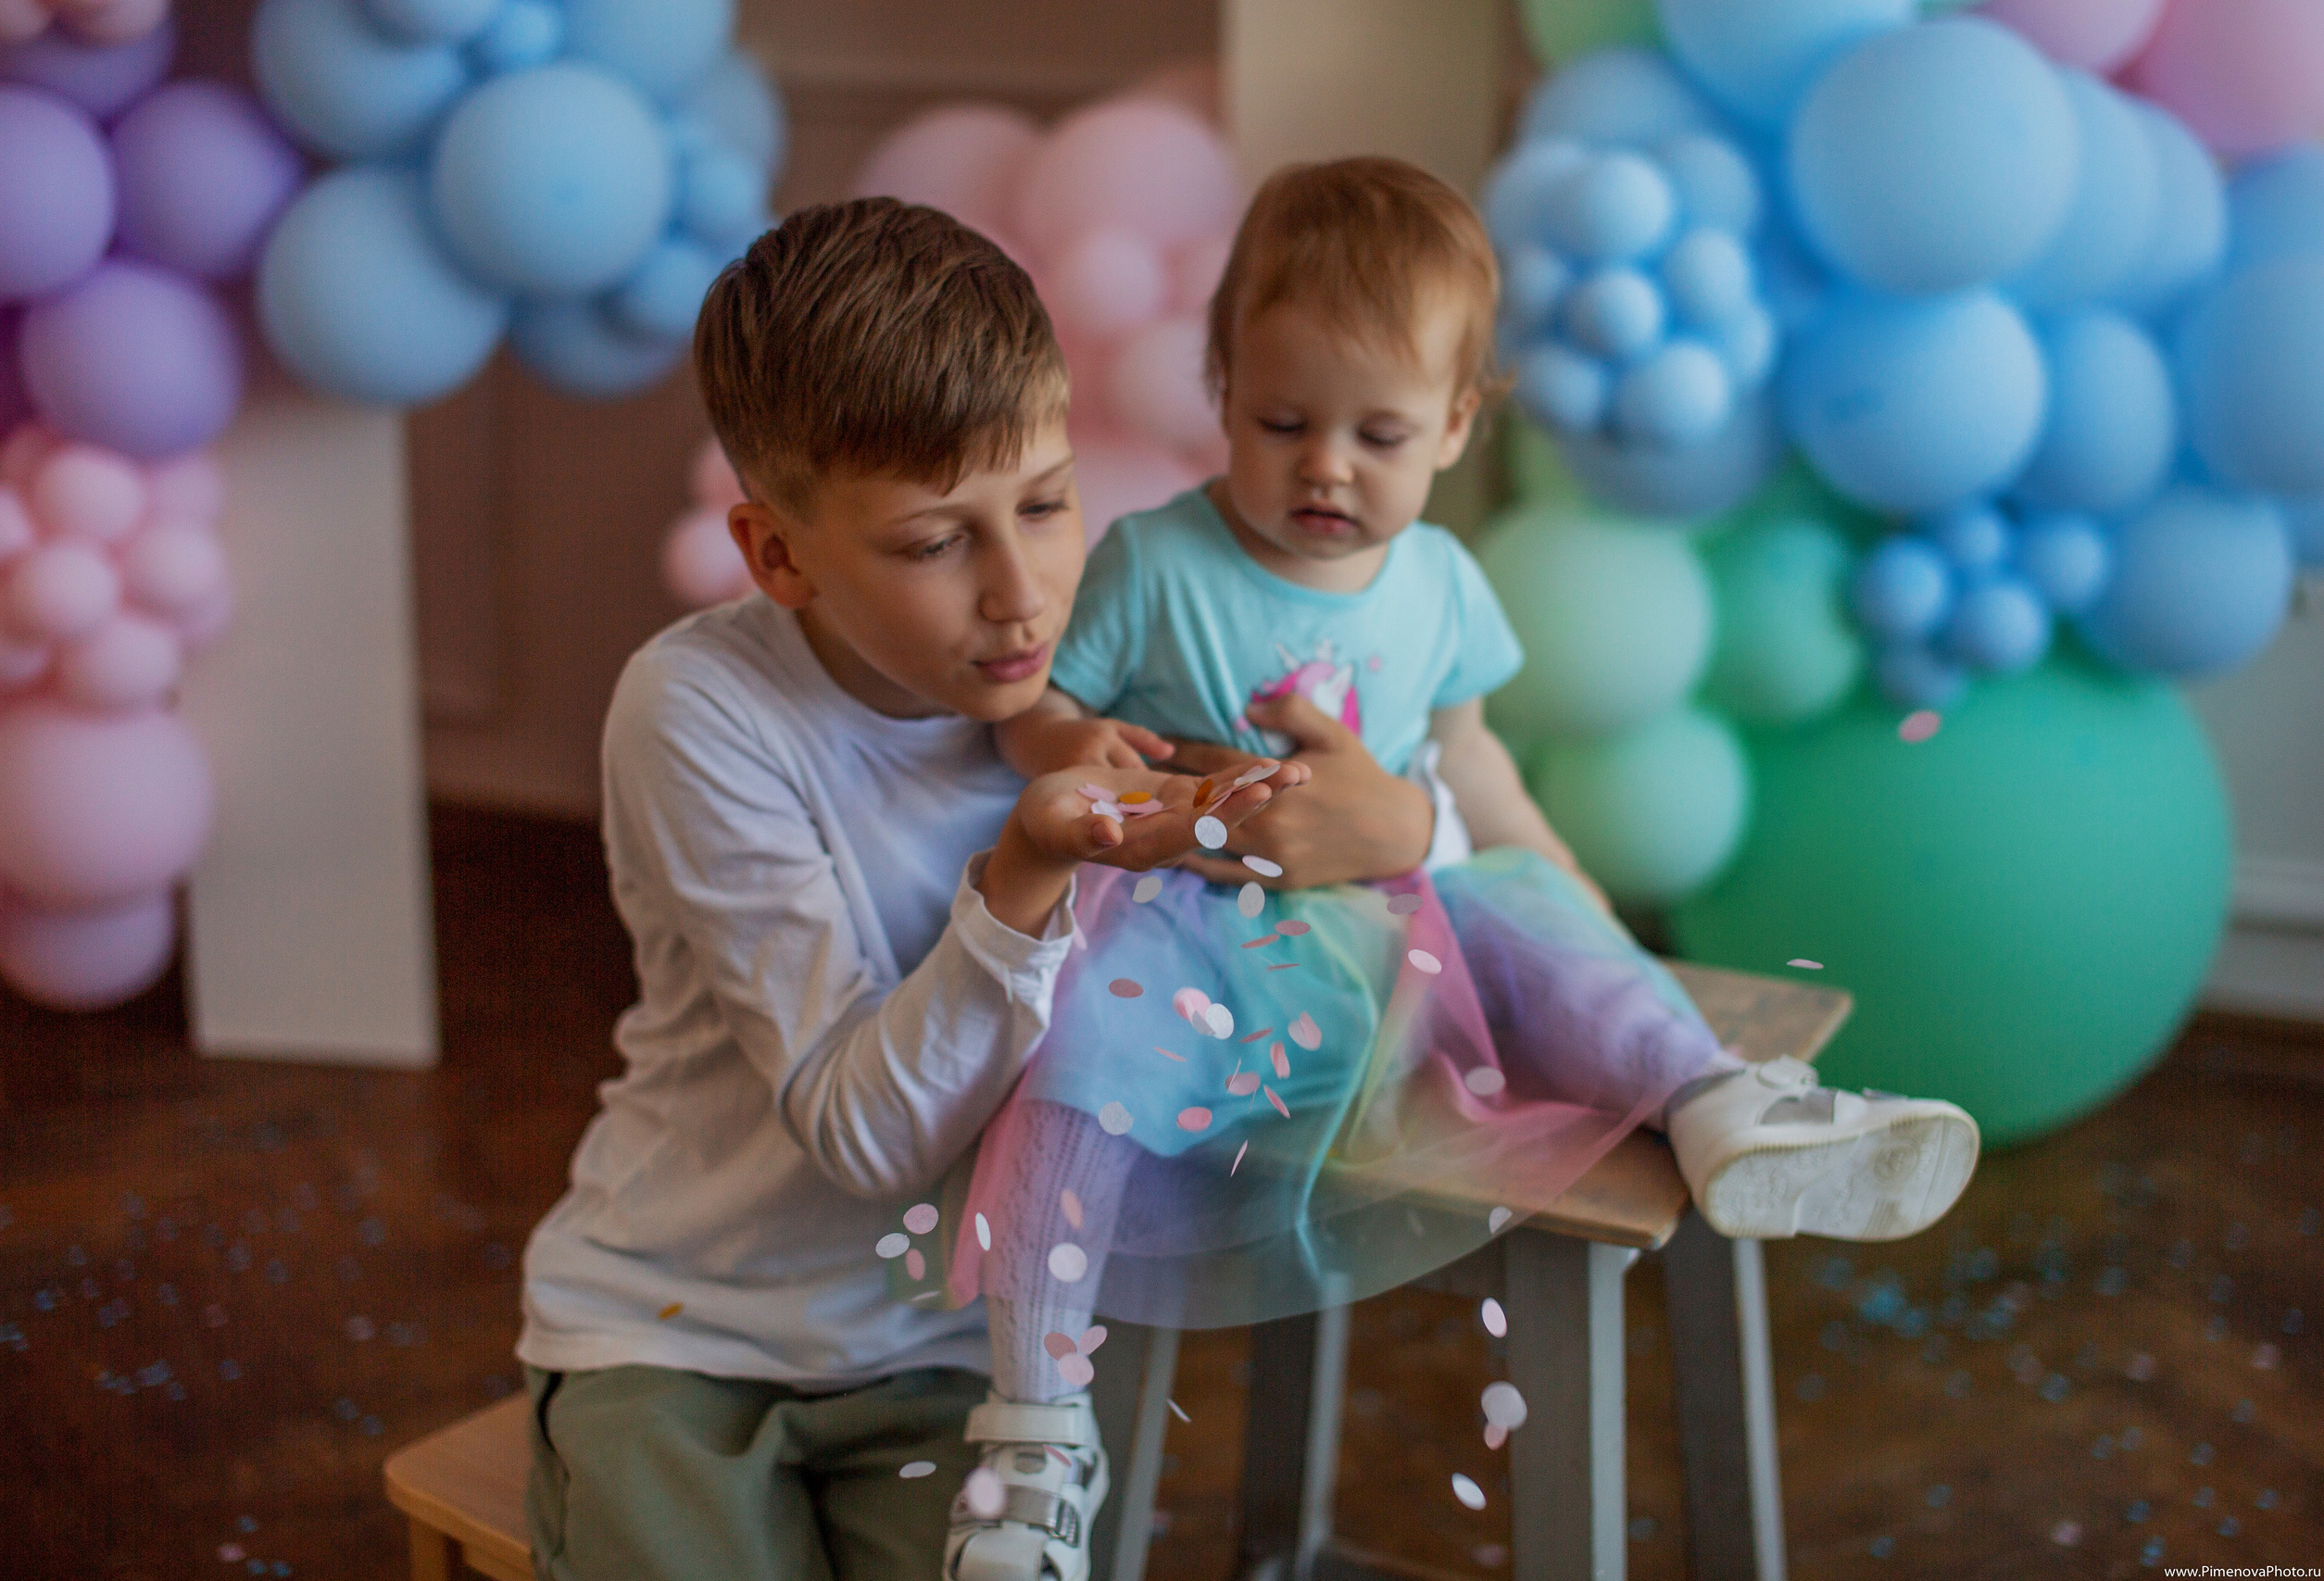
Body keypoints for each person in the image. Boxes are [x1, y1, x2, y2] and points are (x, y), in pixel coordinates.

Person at [948, 158, 1982, 1579]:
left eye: (1378, 432)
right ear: (1219, 383)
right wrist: (1079, 741)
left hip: (1401, 923)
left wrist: (1571, 891)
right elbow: (1028, 713)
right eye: (1281, 419)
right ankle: (1034, 1428)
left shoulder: (1437, 580)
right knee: (1078, 1059)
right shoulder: (1158, 561)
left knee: (1540, 927)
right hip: (1201, 931)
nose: (1325, 465)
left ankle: (1720, 1111)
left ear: (1454, 425)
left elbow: (1471, 765)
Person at [512, 196, 1447, 1581]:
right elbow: (865, 1137)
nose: (1022, 595)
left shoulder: (1120, 656)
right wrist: (1026, 872)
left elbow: (1386, 849)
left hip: (967, 1359)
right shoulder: (700, 709)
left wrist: (1412, 819)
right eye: (936, 543)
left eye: (1049, 504)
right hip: (682, 1332)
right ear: (776, 554)